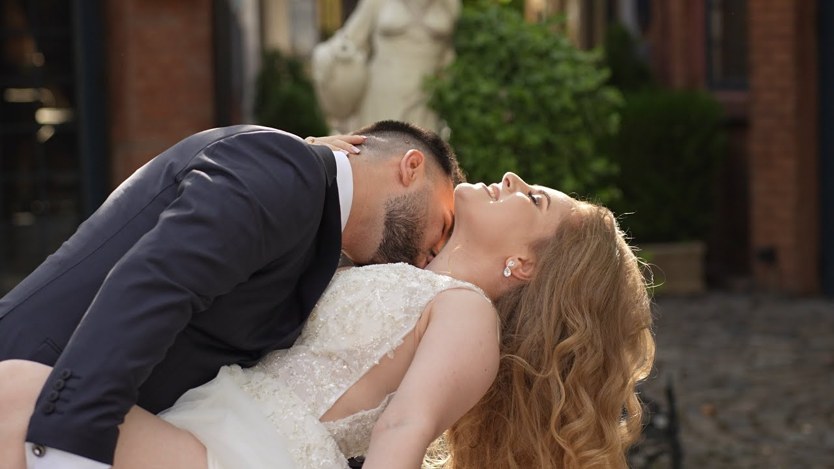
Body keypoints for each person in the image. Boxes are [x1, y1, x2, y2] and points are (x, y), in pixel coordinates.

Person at [0, 172, 655, 468]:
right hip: (204, 412)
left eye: (533, 199)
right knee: (26, 395)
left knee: (23, 397)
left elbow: (403, 429)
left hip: (254, 451)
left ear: (526, 265)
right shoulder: (393, 259)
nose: (510, 178)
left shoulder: (468, 316)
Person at [0, 120, 463, 468]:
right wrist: (68, 446)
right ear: (410, 167)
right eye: (442, 226)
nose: (431, 256)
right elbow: (159, 281)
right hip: (34, 403)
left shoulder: (307, 206)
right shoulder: (285, 169)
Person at [312, 0, 460, 133]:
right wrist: (329, 56)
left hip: (426, 94)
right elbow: (351, 40)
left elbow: (451, 54)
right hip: (382, 90)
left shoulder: (450, 3)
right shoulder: (375, 2)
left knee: (424, 146)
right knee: (380, 144)